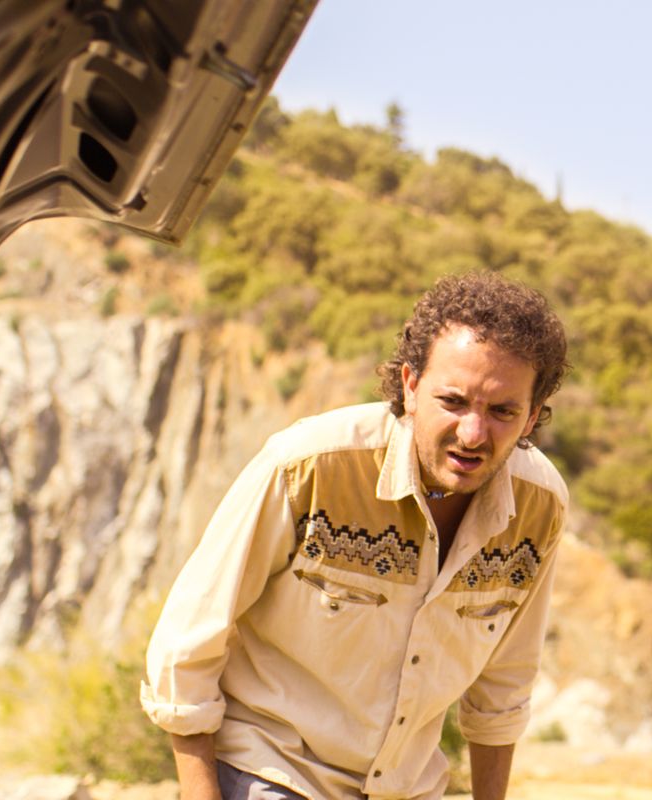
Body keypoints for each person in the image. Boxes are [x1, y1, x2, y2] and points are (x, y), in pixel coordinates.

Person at [142, 272, 570, 800]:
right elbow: (187, 645)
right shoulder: (306, 467)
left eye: (502, 411)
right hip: (273, 769)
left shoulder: (539, 506)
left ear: (531, 416)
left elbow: (503, 687)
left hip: (408, 788)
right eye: (453, 401)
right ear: (411, 386)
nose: (473, 433)